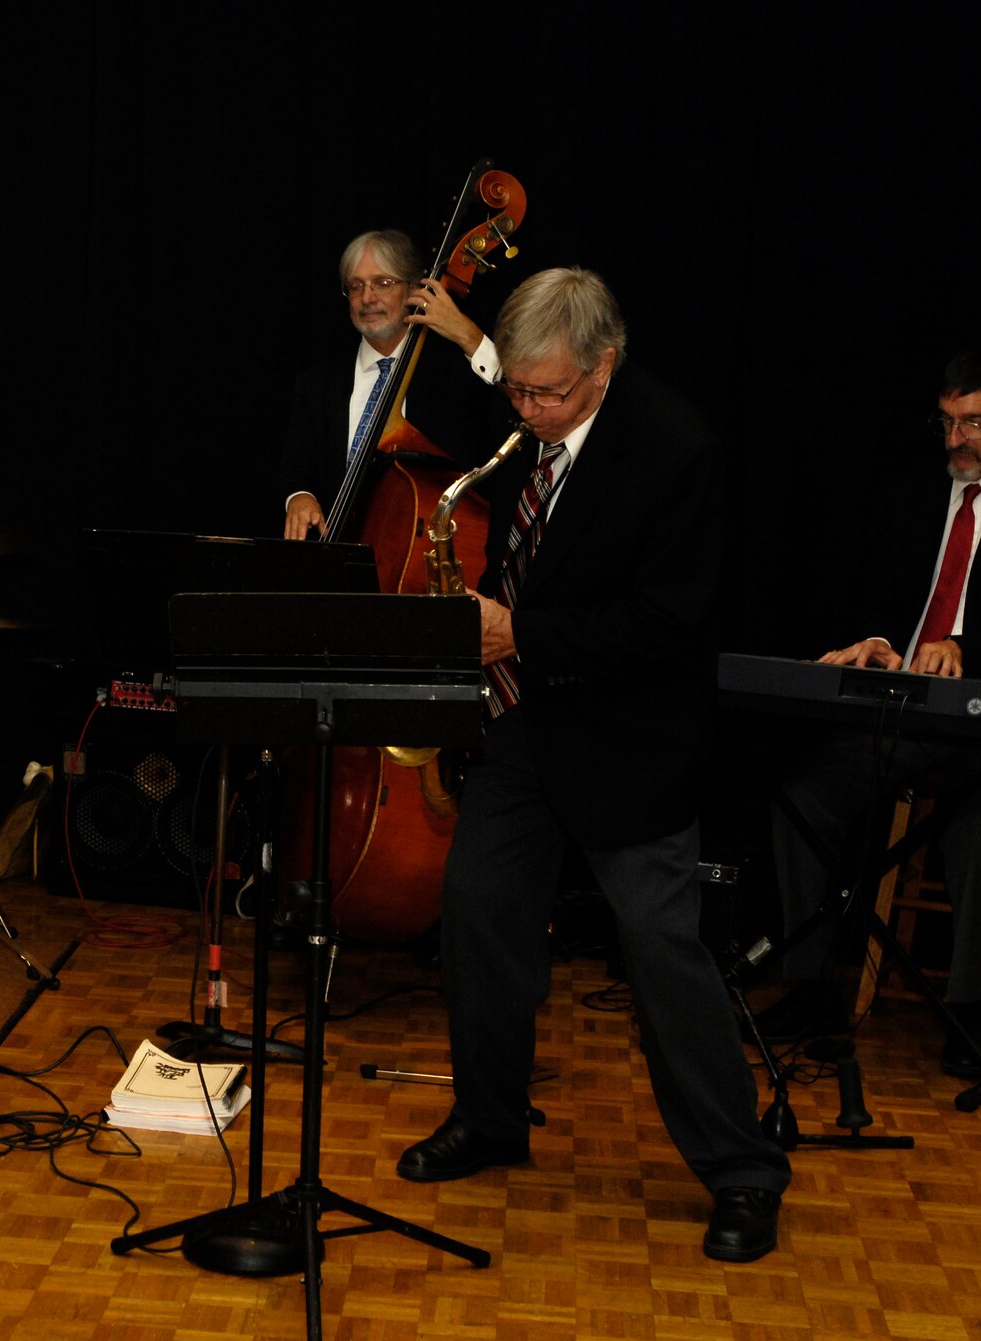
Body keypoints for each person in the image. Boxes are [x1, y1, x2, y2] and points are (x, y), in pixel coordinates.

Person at [394, 268, 792, 1263]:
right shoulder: (528, 425)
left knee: (663, 957)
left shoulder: (674, 452)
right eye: (518, 391)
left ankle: (741, 1171)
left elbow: (665, 624)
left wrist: (515, 630)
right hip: (526, 725)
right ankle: (489, 1121)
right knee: (477, 915)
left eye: (548, 395)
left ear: (604, 364)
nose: (527, 411)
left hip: (628, 742)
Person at [760, 350, 981, 1074]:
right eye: (947, 422)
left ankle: (969, 1008)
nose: (958, 440)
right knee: (802, 798)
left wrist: (964, 649)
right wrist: (878, 642)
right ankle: (812, 986)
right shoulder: (907, 498)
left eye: (975, 422)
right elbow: (871, 596)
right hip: (897, 712)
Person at [274, 228, 501, 539]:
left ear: (412, 290)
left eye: (383, 283)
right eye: (356, 286)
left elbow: (518, 400)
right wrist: (300, 496)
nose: (368, 298)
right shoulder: (318, 383)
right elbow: (294, 470)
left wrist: (467, 335)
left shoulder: (455, 371)